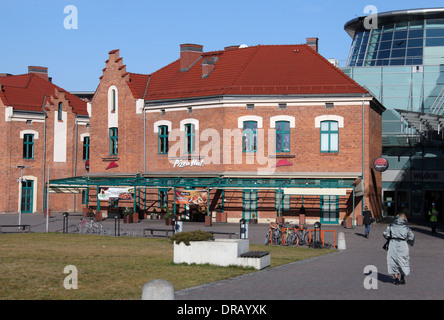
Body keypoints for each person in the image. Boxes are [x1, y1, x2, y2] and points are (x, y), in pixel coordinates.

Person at [383, 213, 415, 285]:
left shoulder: (391, 225)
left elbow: (385, 233)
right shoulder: (406, 227)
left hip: (393, 243)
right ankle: (402, 278)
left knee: (393, 260)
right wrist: (410, 241)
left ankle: (396, 279)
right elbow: (411, 236)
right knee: (403, 260)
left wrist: (389, 237)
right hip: (403, 244)